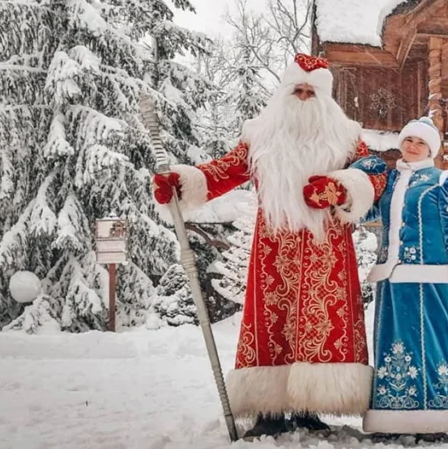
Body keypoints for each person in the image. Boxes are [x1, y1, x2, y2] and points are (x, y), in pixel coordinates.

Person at [152, 53, 387, 438]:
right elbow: (224, 171)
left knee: (321, 320)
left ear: (326, 98)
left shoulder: (346, 136)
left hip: (325, 246)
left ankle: (311, 406)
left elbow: (373, 175)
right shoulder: (260, 135)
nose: (305, 96)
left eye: (313, 91)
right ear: (284, 91)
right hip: (273, 246)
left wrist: (340, 187)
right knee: (271, 321)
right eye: (298, 89)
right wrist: (183, 184)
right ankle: (270, 409)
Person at [362, 117, 448, 437]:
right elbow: (364, 213)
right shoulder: (390, 181)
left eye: (421, 142)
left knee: (433, 343)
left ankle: (440, 414)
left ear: (430, 148)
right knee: (396, 344)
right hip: (393, 279)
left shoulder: (442, 179)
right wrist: (360, 176)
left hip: (431, 277)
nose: (413, 146)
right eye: (408, 140)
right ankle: (394, 413)